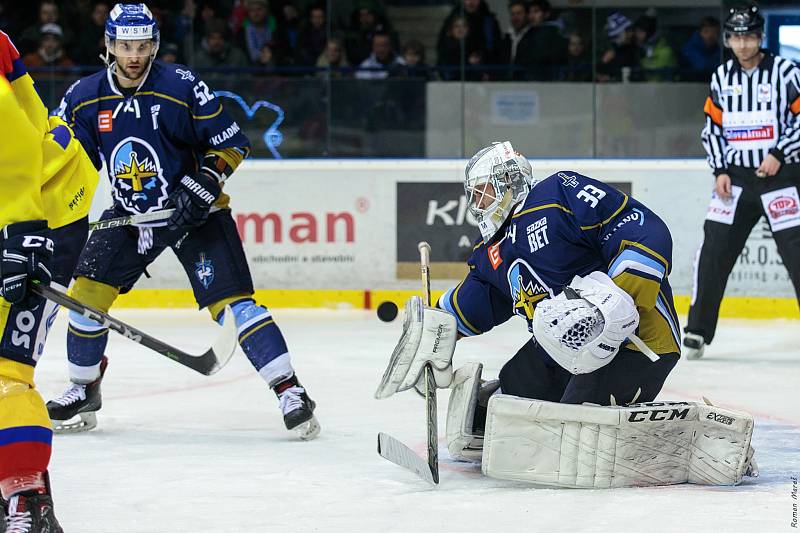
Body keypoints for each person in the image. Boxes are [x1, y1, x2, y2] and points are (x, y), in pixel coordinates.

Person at [46, 3, 321, 440]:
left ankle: (290, 390)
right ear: (109, 45)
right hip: (131, 217)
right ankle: (83, 388)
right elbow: (62, 164)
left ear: (153, 45)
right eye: (124, 46)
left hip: (195, 211)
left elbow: (232, 143)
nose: (133, 55)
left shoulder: (180, 85)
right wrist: (54, 216)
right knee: (85, 298)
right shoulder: (84, 96)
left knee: (236, 308)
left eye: (141, 46)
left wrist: (204, 182)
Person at [377, 142, 691, 481]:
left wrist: (612, 304)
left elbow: (641, 227)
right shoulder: (492, 253)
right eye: (475, 197)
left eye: (483, 193)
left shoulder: (558, 194)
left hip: (637, 342)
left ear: (509, 181)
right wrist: (433, 332)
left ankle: (678, 445)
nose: (478, 205)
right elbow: (476, 302)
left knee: (573, 428)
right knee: (496, 411)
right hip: (562, 347)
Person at [0, 29, 99, 532]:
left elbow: (14, 147)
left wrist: (23, 235)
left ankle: (27, 499)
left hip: (45, 214)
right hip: (23, 205)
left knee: (4, 373)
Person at [685, 4, 800, 359]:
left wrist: (779, 153)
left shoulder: (786, 72)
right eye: (737, 37)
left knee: (796, 253)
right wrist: (719, 169)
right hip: (733, 179)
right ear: (728, 39)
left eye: (749, 36)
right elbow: (713, 129)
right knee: (714, 248)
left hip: (780, 177)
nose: (744, 44)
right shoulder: (721, 77)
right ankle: (698, 330)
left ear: (760, 37)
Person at [680, 16, 720, 82]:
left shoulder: (717, 49)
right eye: (706, 32)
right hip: (689, 86)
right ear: (700, 32)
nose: (710, 35)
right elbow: (703, 67)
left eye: (714, 32)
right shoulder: (690, 48)